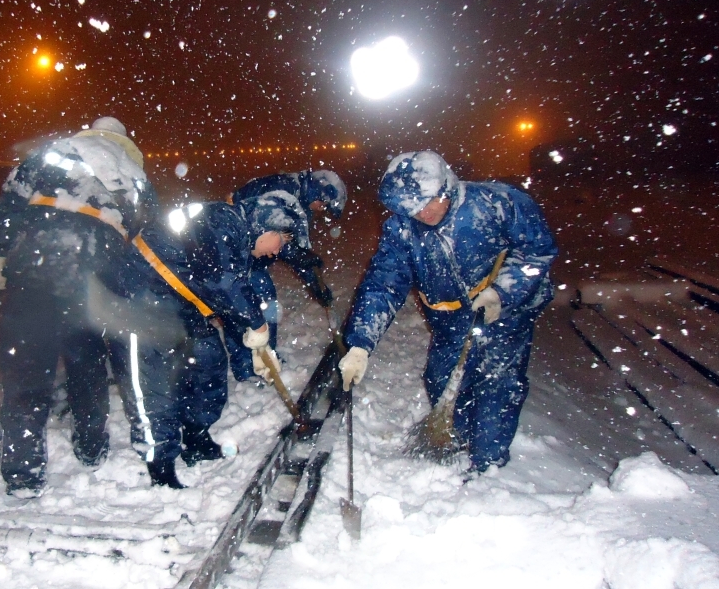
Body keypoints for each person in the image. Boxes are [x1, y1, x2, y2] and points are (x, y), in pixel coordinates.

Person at [338, 151, 557, 474]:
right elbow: (383, 284)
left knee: (495, 383)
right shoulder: (402, 228)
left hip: (506, 310)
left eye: (428, 202)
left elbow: (537, 252)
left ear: (446, 187)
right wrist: (360, 344)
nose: (422, 213)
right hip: (450, 315)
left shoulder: (498, 203)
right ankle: (457, 438)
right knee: (442, 377)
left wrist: (502, 292)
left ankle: (486, 464)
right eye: (411, 207)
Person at [0, 116, 155, 497]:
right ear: (122, 142)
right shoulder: (132, 174)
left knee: (26, 372)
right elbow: (147, 235)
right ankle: (91, 447)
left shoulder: (50, 154)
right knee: (88, 365)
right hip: (95, 274)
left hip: (35, 267)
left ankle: (22, 474)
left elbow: (11, 202)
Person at [119, 195, 310, 488]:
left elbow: (229, 298)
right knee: (153, 384)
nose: (277, 252)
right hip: (140, 294)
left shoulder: (238, 242)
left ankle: (197, 437)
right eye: (280, 243)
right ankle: (160, 461)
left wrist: (256, 345)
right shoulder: (223, 221)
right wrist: (257, 325)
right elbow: (223, 284)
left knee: (208, 361)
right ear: (266, 228)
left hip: (180, 302)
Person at [226, 170, 348, 383]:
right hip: (237, 253)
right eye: (325, 204)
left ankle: (265, 357)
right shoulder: (285, 191)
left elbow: (298, 247)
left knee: (264, 303)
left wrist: (315, 281)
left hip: (251, 256)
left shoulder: (298, 195)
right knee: (250, 306)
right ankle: (249, 367)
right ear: (319, 194)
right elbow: (282, 241)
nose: (323, 210)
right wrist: (303, 260)